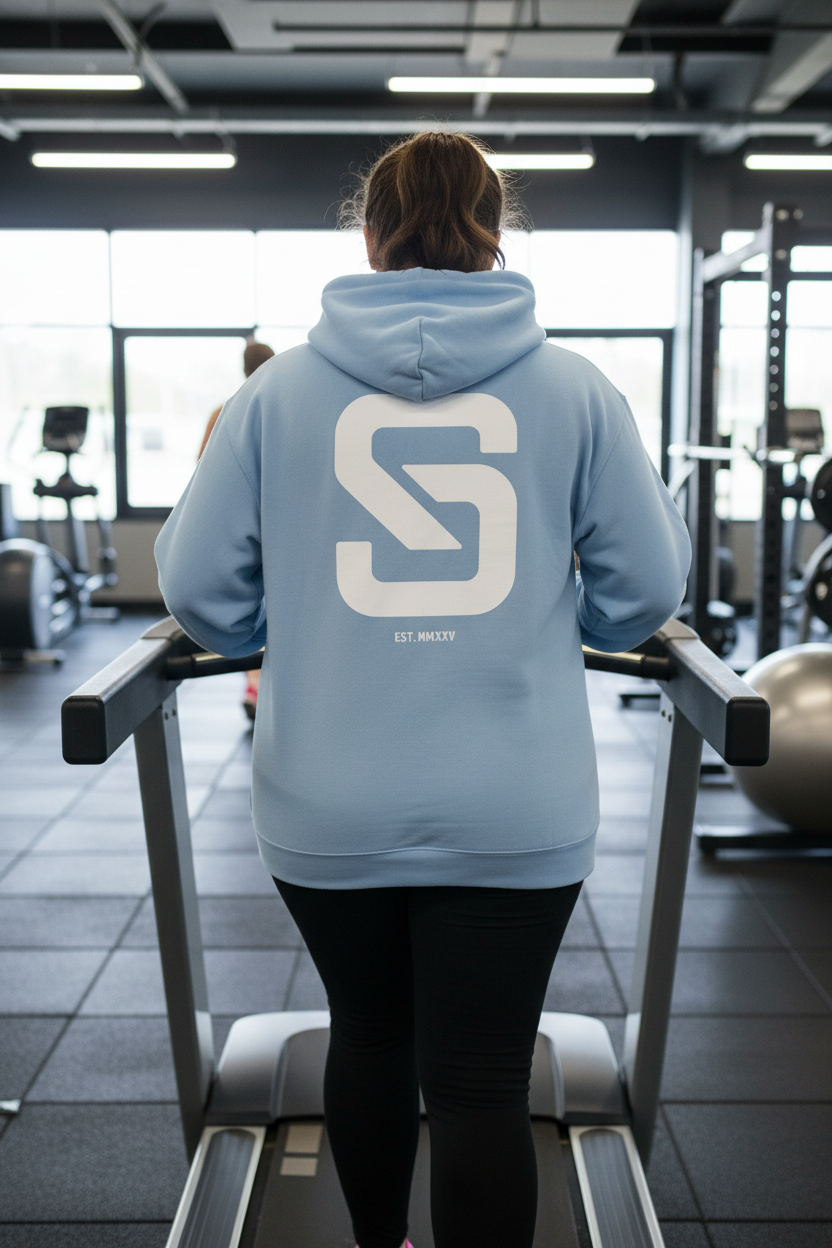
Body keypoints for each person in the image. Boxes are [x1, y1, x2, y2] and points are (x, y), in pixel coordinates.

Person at [155, 131, 690, 1248]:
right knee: (483, 1081)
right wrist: (575, 622)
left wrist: (276, 625)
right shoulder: (576, 390)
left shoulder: (275, 395)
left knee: (367, 1036)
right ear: (496, 233)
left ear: (369, 231)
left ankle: (378, 1242)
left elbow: (202, 594)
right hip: (517, 803)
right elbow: (642, 597)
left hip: (326, 799)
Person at [198, 338, 274, 719]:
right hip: (276, 529)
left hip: (246, 529)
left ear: (244, 368)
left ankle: (254, 684)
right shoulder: (288, 402)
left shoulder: (227, 411)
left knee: (251, 613)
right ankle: (258, 684)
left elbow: (204, 476)